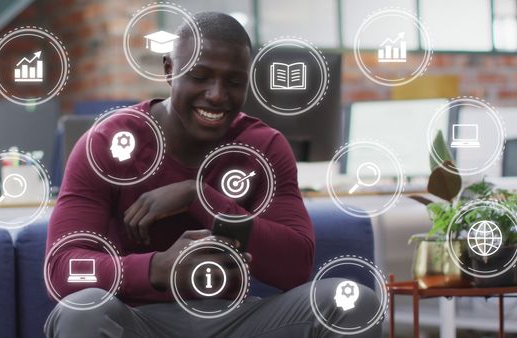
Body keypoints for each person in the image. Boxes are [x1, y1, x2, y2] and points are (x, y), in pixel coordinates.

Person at [44, 11, 382, 338]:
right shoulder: (108, 143)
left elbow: (296, 267)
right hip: (139, 321)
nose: (217, 95)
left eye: (233, 82)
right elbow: (62, 267)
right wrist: (159, 268)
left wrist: (200, 198)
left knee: (350, 302)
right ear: (169, 69)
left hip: (235, 318)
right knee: (81, 310)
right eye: (200, 77)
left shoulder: (262, 147)